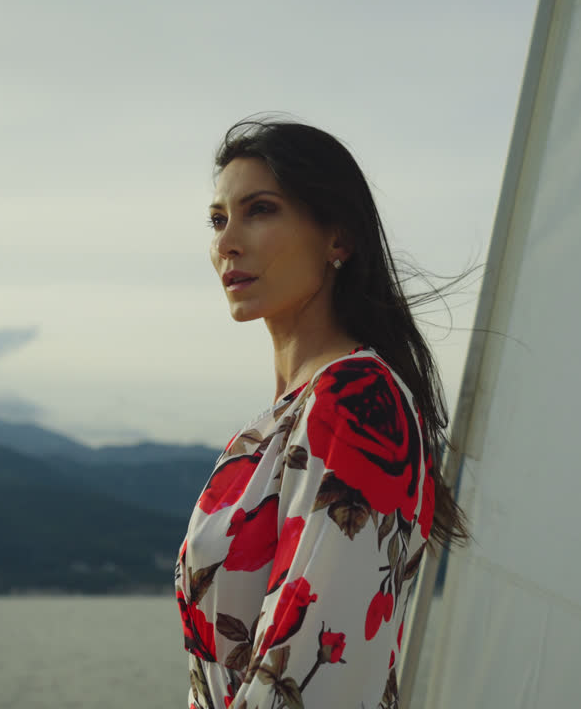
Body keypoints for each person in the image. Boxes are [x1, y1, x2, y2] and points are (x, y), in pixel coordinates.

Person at [175, 117, 469, 709]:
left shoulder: (357, 398)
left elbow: (311, 670)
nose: (227, 241)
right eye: (217, 219)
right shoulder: (283, 418)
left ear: (339, 239)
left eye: (259, 209)